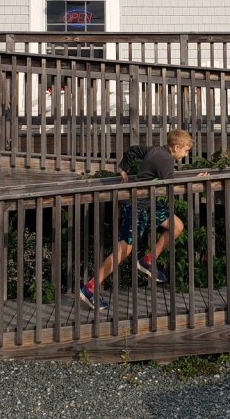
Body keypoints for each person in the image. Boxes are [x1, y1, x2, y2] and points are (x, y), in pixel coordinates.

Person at [79, 129, 207, 310]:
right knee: (123, 251)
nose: (186, 155)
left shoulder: (156, 151)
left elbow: (132, 150)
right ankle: (89, 288)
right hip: (137, 206)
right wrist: (194, 182)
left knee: (176, 226)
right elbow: (171, 186)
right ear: (176, 147)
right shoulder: (166, 160)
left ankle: (148, 260)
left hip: (149, 204)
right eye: (185, 151)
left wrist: (124, 169)